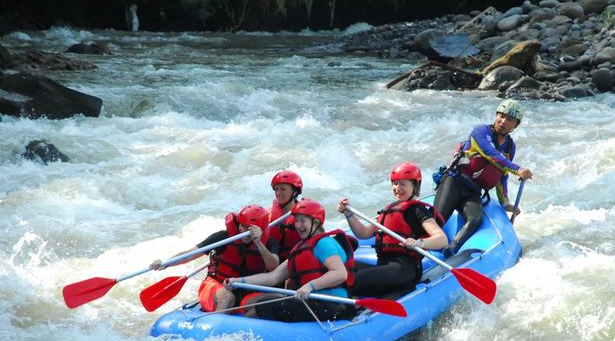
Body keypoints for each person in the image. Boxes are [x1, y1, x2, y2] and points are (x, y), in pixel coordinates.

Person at [224, 199, 356, 322]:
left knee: (265, 307)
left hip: (334, 305)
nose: (298, 225)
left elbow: (340, 273)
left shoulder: (324, 243)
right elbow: (273, 277)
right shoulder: (301, 248)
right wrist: (238, 281)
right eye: (296, 221)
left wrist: (310, 286)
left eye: (303, 221)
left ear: (316, 222)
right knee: (263, 302)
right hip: (314, 302)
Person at [433, 99, 533, 256]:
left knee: (475, 219)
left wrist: (505, 203)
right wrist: (518, 169)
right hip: (454, 182)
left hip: (472, 192)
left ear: (515, 125)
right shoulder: (480, 132)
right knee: (437, 221)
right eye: (501, 116)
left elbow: (502, 174)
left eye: (510, 120)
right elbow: (492, 155)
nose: (503, 122)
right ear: (496, 115)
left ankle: (451, 250)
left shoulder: (509, 146)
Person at [337, 162, 448, 297]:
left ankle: (346, 306)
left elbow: (441, 239)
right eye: (395, 183)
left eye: (403, 184)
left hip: (404, 269)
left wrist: (419, 243)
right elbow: (363, 233)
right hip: (384, 266)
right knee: (340, 269)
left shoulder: (418, 210)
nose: (397, 188)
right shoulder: (389, 209)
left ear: (415, 186)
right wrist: (349, 214)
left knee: (353, 280)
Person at [150, 204, 279, 312]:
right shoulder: (223, 237)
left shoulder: (268, 243)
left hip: (247, 292)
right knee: (227, 298)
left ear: (260, 229)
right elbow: (192, 254)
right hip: (216, 286)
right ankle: (215, 331)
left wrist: (258, 243)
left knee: (274, 300)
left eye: (250, 228)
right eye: (242, 226)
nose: (244, 231)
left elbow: (274, 267)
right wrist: (166, 263)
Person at [268, 170, 303, 262]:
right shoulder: (268, 215)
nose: (278, 193)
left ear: (295, 192)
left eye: (283, 189)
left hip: (297, 260)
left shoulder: (307, 215)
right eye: (276, 189)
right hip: (273, 261)